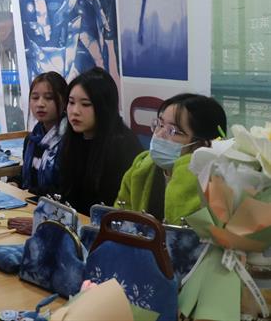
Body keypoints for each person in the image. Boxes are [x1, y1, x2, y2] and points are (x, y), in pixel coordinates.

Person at [115, 94, 227, 225]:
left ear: (202, 145)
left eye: (174, 131)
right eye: (160, 124)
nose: (159, 134)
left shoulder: (213, 185)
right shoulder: (142, 168)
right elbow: (119, 218)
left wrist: (185, 172)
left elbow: (187, 233)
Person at [59, 67, 143, 215]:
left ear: (104, 106)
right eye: (71, 102)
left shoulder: (121, 146)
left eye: (85, 104)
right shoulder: (73, 139)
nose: (75, 111)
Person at [21, 72, 68, 196]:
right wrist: (14, 182)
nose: (40, 104)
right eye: (35, 98)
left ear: (64, 101)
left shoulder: (70, 141)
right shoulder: (31, 139)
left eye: (49, 98)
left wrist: (31, 193)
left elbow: (65, 187)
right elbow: (29, 175)